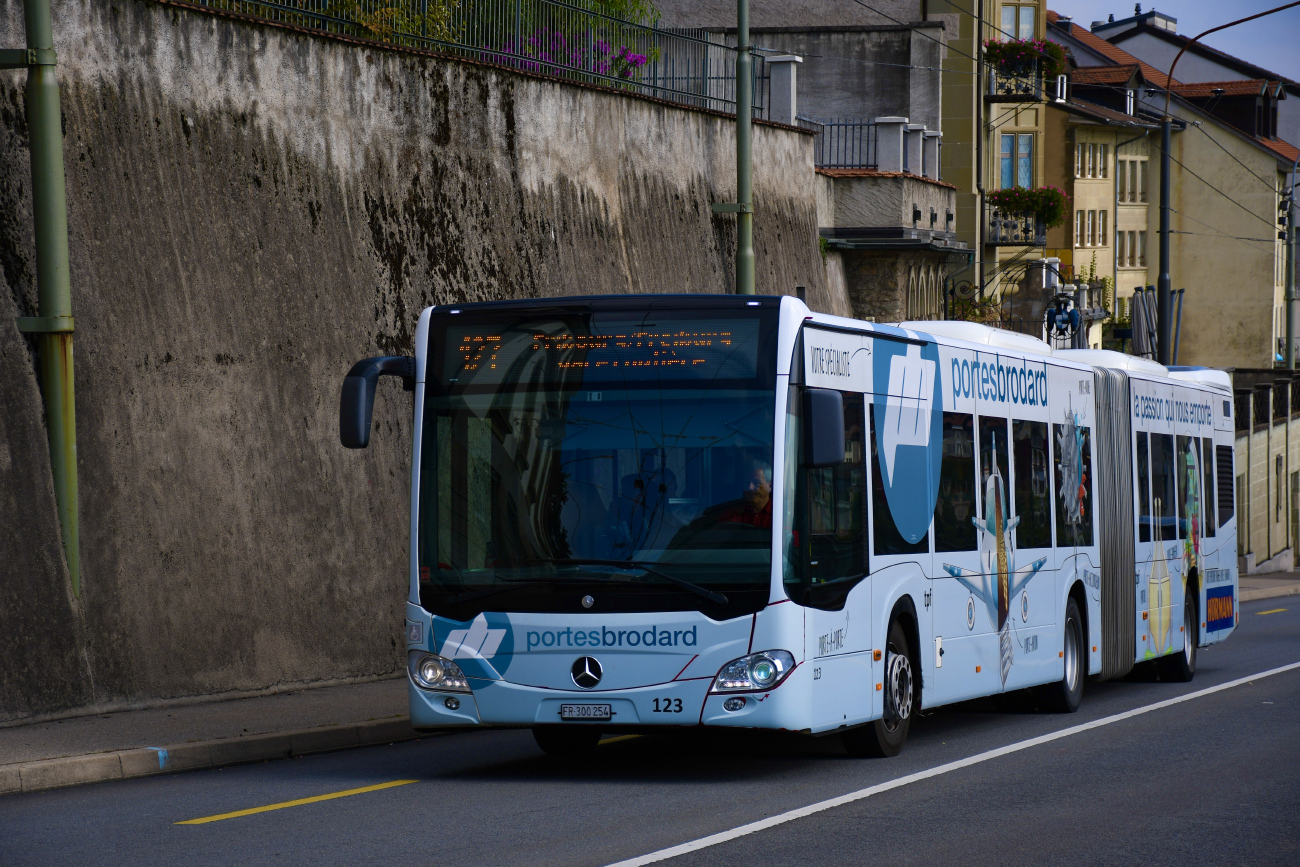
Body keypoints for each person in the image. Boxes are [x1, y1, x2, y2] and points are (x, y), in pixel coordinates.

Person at [716, 461, 773, 528]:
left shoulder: (780, 515)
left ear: (769, 486)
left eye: (756, 482)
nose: (750, 487)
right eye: (747, 483)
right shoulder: (734, 513)